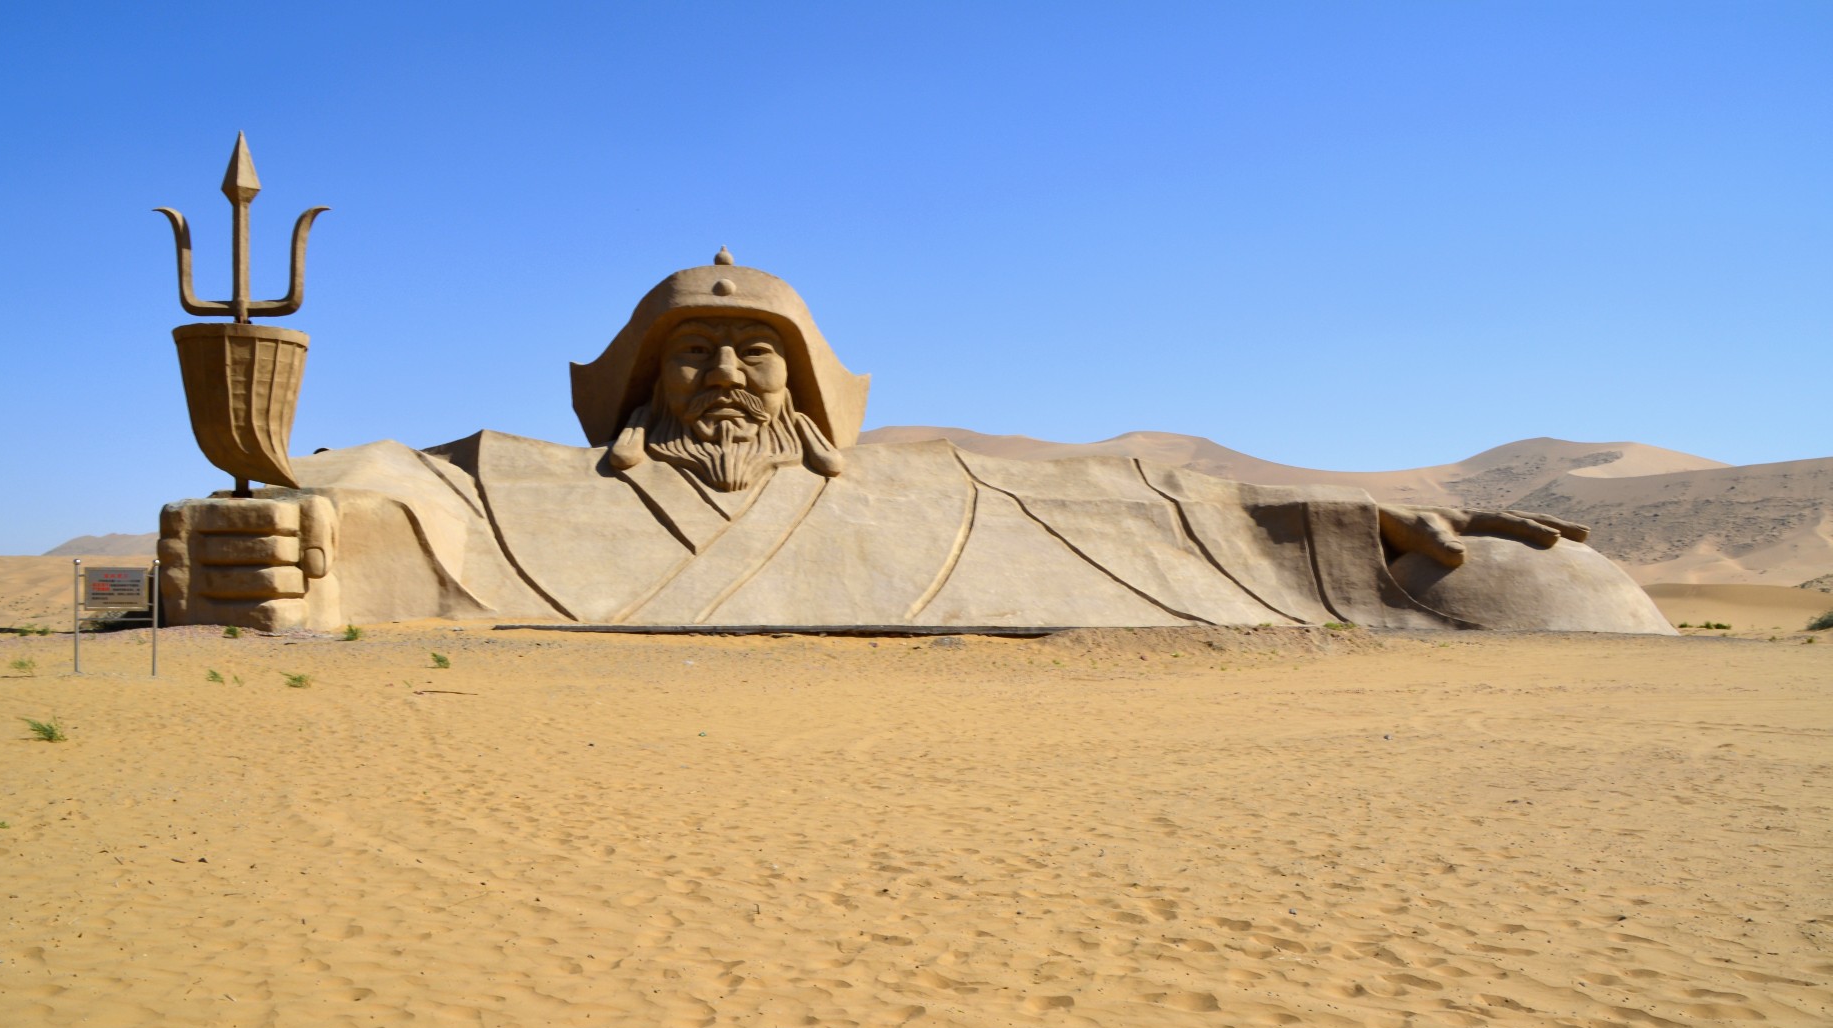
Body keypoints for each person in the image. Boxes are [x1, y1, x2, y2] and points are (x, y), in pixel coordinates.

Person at [158, 251, 1672, 634]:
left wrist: (1319, 520)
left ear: (811, 387)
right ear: (640, 386)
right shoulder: (518, 481)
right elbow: (393, 472)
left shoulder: (924, 487)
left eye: (760, 352)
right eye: (693, 357)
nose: (731, 376)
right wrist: (300, 504)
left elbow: (1115, 499)